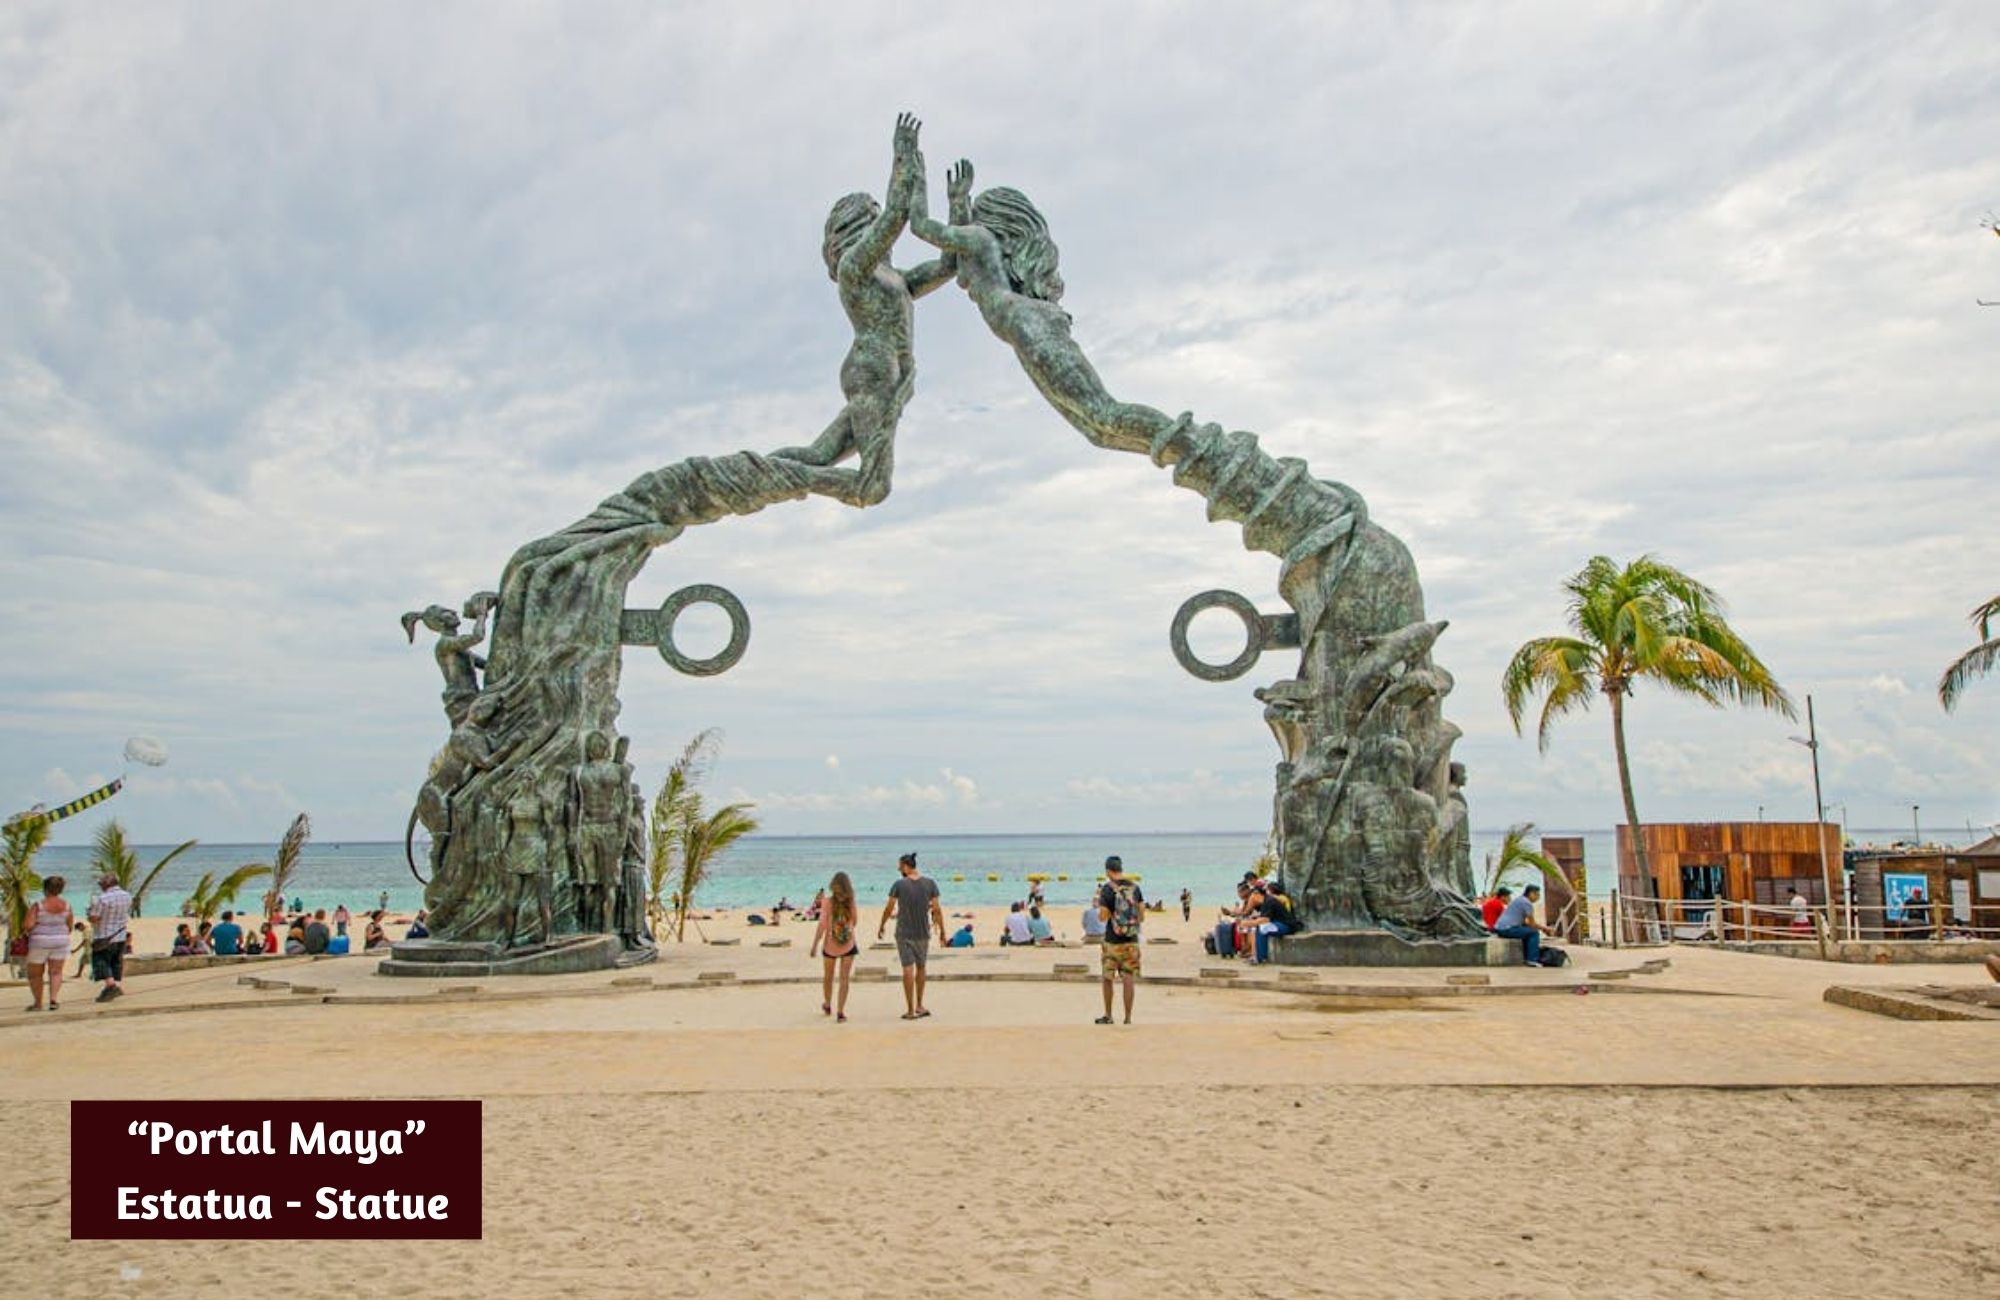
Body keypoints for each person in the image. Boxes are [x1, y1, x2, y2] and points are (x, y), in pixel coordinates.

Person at [773, 113, 960, 508]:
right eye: (872, 220)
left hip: (887, 377)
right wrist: (903, 160)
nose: (881, 230)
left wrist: (957, 206)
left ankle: (752, 471)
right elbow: (897, 216)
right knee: (872, 487)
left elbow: (948, 265)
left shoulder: (898, 279)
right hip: (872, 370)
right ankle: (771, 479)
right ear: (857, 225)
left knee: (818, 456)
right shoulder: (854, 269)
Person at [877, 852, 946, 1020]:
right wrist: (943, 931)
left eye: (900, 866)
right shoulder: (930, 884)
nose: (898, 869)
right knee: (921, 967)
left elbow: (889, 907)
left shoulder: (899, 885)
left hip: (904, 933)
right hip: (923, 932)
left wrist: (882, 924)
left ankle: (910, 1010)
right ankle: (920, 1005)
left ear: (907, 867)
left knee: (907, 969)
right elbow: (936, 909)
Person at [1095, 856, 1144, 1024]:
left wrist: (1110, 914)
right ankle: (1128, 1018)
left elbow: (1102, 917)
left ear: (1108, 871)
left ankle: (1108, 1015)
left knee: (1107, 978)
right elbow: (1142, 915)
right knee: (1128, 978)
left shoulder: (1107, 890)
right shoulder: (1135, 888)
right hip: (1131, 940)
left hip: (1112, 941)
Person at [810, 871, 860, 1022]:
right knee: (844, 979)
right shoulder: (851, 901)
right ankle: (840, 1012)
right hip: (848, 944)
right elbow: (855, 921)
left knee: (828, 977)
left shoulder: (826, 902)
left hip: (830, 945)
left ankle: (827, 1004)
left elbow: (822, 925)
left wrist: (814, 945)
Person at [22, 874, 73, 1011]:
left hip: (40, 941)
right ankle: (53, 1000)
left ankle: (38, 1003)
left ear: (45, 889)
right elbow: (70, 926)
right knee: (56, 972)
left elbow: (28, 925)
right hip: (61, 941)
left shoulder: (38, 905)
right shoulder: (67, 905)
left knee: (36, 974)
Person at [87, 872, 133, 1003]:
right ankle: (114, 986)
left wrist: (89, 914)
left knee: (101, 960)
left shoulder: (102, 899)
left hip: (104, 935)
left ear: (107, 883)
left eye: (101, 883)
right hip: (120, 934)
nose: (100, 885)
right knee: (115, 961)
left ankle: (111, 986)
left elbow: (94, 918)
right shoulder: (127, 896)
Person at [1492, 884, 1554, 966]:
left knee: (1526, 931)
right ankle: (1532, 959)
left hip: (1500, 928)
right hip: (1507, 929)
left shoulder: (1519, 900)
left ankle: (1526, 956)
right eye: (1537, 895)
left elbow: (1526, 923)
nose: (1538, 897)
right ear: (1531, 893)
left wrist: (1542, 928)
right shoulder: (1527, 903)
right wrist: (1545, 929)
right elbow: (1532, 924)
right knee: (1534, 933)